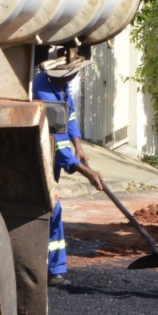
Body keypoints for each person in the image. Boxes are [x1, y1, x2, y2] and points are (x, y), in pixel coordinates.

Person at [32, 61, 105, 287]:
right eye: (69, 75)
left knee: (52, 209)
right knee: (51, 208)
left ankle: (54, 269)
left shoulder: (61, 86)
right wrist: (87, 173)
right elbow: (58, 147)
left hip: (51, 157)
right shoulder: (43, 91)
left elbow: (69, 116)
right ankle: (53, 270)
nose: (72, 78)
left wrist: (79, 145)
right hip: (38, 158)